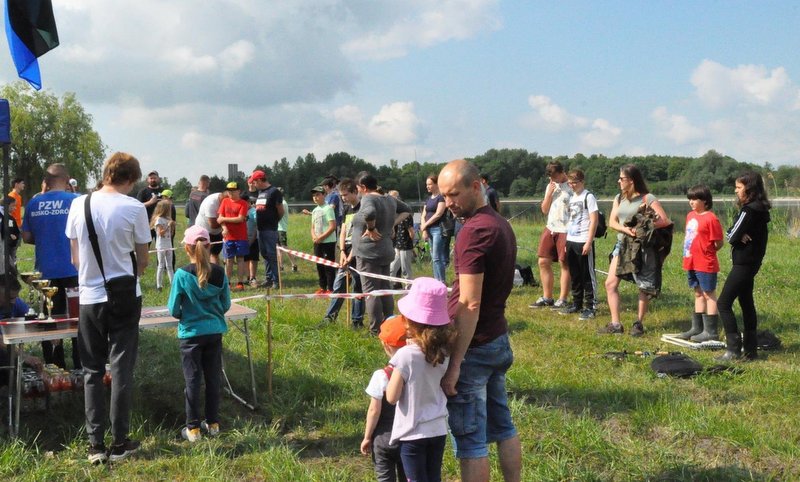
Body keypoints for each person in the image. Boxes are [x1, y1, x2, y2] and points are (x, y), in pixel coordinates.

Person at [438, 159, 522, 482]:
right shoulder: (499, 223)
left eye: (454, 195)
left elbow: (470, 302)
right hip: (497, 338)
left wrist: (456, 362)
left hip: (475, 347)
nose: (449, 204)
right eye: (444, 196)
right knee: (503, 426)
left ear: (476, 187)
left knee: (471, 442)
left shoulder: (474, 232)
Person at [66, 152, 150, 464]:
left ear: (106, 174)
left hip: (90, 297)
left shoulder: (79, 204)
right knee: (121, 369)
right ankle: (120, 442)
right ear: (130, 179)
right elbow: (143, 261)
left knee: (91, 370)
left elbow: (75, 259)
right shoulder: (134, 207)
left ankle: (94, 446)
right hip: (126, 294)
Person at [385, 277, 455, 482]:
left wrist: (395, 363)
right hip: (438, 429)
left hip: (412, 432)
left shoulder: (405, 355)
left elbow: (391, 396)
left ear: (409, 322)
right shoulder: (445, 352)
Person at [168, 225, 231, 442]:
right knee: (213, 377)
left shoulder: (181, 274)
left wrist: (186, 315)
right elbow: (226, 304)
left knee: (192, 380)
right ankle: (213, 423)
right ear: (208, 245)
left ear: (187, 248)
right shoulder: (221, 273)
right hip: (214, 332)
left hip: (191, 334)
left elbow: (173, 309)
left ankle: (193, 428)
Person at [600, 164, 672, 337]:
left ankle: (638, 323)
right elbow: (612, 222)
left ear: (631, 181)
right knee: (610, 283)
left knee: (644, 286)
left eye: (621, 179)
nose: (619, 181)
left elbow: (664, 220)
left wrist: (643, 226)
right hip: (622, 245)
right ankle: (616, 324)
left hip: (642, 248)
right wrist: (626, 230)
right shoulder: (619, 198)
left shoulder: (647, 198)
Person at [22, 163, 81, 369]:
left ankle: (53, 367)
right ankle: (80, 364)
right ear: (67, 180)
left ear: (45, 182)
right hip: (74, 269)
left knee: (48, 321)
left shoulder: (33, 203)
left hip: (44, 272)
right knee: (77, 319)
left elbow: (27, 236)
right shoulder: (76, 200)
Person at [716, 172, 771, 361]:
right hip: (752, 262)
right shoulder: (761, 209)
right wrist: (738, 234)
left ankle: (732, 351)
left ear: (749, 188)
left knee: (723, 303)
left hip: (744, 264)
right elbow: (734, 231)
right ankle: (750, 351)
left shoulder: (749, 210)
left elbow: (730, 235)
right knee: (746, 303)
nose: (736, 191)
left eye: (739, 187)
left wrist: (737, 235)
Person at [348, 172, 398, 335]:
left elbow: (369, 213)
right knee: (385, 288)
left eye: (358, 188)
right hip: (385, 250)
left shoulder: (368, 198)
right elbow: (407, 209)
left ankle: (375, 329)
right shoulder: (389, 199)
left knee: (371, 292)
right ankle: (389, 323)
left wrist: (371, 227)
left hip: (370, 252)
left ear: (363, 187)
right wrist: (391, 224)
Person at [360, 315, 407, 482]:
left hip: (383, 438)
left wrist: (367, 437)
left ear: (385, 345)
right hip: (408, 436)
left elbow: (374, 410)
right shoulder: (415, 372)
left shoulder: (381, 375)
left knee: (384, 477)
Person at [677, 185, 724, 342]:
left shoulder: (711, 219)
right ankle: (696, 328)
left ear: (704, 200)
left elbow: (718, 242)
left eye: (694, 199)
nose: (691, 202)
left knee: (708, 293)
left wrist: (707, 252)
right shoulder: (690, 216)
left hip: (705, 262)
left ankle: (711, 331)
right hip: (691, 261)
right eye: (689, 199)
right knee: (697, 292)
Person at [321, 178, 364, 328]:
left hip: (358, 254)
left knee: (357, 288)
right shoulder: (346, 209)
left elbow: (361, 235)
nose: (343, 198)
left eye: (345, 195)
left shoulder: (363, 208)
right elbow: (343, 231)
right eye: (341, 196)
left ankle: (357, 321)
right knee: (339, 286)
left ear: (354, 192)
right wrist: (342, 251)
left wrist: (351, 254)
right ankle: (329, 318)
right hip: (345, 251)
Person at [530, 161, 571, 309]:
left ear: (562, 172)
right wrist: (549, 193)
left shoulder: (571, 186)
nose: (554, 180)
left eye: (556, 177)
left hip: (566, 229)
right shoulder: (551, 186)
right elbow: (544, 210)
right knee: (543, 261)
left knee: (564, 263)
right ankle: (547, 297)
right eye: (551, 178)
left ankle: (563, 298)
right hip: (551, 227)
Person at [560, 169, 599, 320]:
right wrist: (566, 242)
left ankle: (591, 306)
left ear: (582, 182)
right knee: (574, 274)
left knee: (587, 275)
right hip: (571, 240)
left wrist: (588, 242)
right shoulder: (571, 198)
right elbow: (570, 220)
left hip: (584, 240)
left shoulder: (588, 197)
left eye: (574, 182)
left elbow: (594, 220)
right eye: (569, 183)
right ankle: (577, 303)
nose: (572, 185)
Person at [0, 274, 43, 385]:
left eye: (16, 297)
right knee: (6, 358)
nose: (14, 301)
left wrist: (47, 329)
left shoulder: (15, 302)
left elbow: (32, 316)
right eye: (10, 298)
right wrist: (25, 357)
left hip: (7, 348)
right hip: (3, 348)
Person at [251, 170, 284, 288]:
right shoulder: (260, 192)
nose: (253, 184)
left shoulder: (274, 192)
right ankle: (269, 278)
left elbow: (280, 210)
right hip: (260, 229)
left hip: (270, 229)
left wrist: (274, 221)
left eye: (254, 182)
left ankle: (276, 280)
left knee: (271, 254)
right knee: (264, 254)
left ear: (259, 180)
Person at [218, 182, 250, 291]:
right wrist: (224, 228)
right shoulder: (224, 201)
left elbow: (240, 219)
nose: (230, 192)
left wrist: (224, 220)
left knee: (240, 259)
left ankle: (240, 282)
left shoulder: (243, 203)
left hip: (241, 236)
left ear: (238, 191)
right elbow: (219, 218)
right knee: (228, 260)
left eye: (233, 190)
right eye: (229, 190)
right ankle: (228, 283)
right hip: (228, 237)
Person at [418, 175, 450, 283]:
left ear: (436, 184)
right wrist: (424, 228)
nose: (428, 186)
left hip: (438, 229)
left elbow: (438, 214)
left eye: (430, 184)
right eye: (427, 184)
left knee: (437, 257)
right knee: (433, 256)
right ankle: (436, 281)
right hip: (429, 229)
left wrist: (425, 225)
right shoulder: (428, 199)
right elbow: (423, 214)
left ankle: (442, 281)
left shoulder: (441, 197)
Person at [310, 186, 337, 293]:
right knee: (319, 265)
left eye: (318, 195)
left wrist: (321, 237)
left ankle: (331, 288)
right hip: (317, 242)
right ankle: (322, 287)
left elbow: (332, 226)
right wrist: (314, 237)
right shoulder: (315, 210)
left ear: (324, 195)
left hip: (328, 242)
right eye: (314, 195)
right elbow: (312, 227)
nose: (315, 197)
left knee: (328, 266)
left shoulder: (328, 208)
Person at [137, 170, 175, 242]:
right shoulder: (143, 192)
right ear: (147, 180)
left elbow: (171, 205)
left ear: (158, 179)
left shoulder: (164, 191)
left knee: (163, 247)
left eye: (154, 178)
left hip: (162, 224)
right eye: (151, 178)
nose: (153, 180)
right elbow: (138, 207)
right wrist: (150, 202)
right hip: (147, 224)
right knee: (146, 246)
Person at [388, 190, 414, 284]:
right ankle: (390, 285)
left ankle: (409, 287)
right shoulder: (392, 213)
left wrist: (412, 246)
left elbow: (411, 231)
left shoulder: (405, 214)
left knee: (405, 268)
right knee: (392, 267)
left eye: (396, 198)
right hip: (396, 245)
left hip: (405, 245)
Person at [151, 200, 176, 291]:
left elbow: (171, 233)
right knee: (161, 265)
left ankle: (173, 284)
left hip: (169, 244)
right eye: (169, 208)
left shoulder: (168, 218)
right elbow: (160, 233)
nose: (170, 209)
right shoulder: (159, 219)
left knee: (169, 266)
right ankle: (159, 285)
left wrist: (173, 225)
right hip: (161, 246)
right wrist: (168, 226)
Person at [195, 192, 226, 265]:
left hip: (217, 231)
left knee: (215, 254)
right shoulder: (211, 203)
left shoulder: (225, 201)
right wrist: (227, 221)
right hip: (203, 230)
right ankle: (203, 272)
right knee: (204, 255)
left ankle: (215, 273)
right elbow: (213, 225)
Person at [276, 187, 297, 272]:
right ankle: (280, 266)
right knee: (278, 248)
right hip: (277, 228)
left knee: (284, 247)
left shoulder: (283, 203)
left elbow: (279, 215)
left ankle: (294, 264)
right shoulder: (280, 202)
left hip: (281, 229)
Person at [244, 195, 260, 287]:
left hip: (254, 239)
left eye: (246, 202)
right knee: (245, 259)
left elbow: (257, 226)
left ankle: (253, 277)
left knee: (253, 259)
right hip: (243, 239)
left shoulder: (254, 212)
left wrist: (253, 238)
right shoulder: (241, 211)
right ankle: (247, 277)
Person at [1, 196, 21, 268]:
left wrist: (15, 237)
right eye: (13, 206)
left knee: (12, 263)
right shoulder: (2, 217)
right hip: (4, 246)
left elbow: (16, 231)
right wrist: (9, 235)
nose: (15, 208)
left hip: (11, 246)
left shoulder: (11, 218)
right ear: (6, 205)